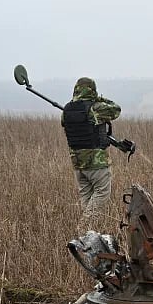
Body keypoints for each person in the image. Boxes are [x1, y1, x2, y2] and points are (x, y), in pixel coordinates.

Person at [61, 77, 122, 231]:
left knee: (87, 200)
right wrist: (99, 98)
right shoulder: (96, 108)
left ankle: (88, 237)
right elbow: (116, 109)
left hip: (77, 164)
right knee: (102, 194)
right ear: (92, 91)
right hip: (96, 163)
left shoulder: (66, 110)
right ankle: (83, 228)